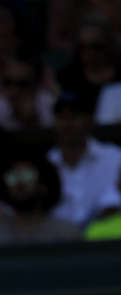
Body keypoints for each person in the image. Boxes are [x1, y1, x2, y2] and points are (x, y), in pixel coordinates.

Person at [47, 89, 121, 225]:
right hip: (57, 241)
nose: (66, 124)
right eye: (61, 117)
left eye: (73, 116)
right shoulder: (45, 164)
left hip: (104, 239)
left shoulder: (115, 157)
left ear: (90, 120)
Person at [0, 150, 83, 244]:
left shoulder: (66, 235)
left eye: (28, 176)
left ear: (44, 186)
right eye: (12, 178)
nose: (19, 184)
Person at [57, 12, 121, 112]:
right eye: (84, 47)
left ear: (108, 45)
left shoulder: (119, 73)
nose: (91, 53)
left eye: (96, 47)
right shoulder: (68, 77)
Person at [0, 54, 57, 129]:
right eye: (8, 82)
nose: (15, 90)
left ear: (36, 84)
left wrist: (32, 120)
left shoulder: (51, 107)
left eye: (22, 84)